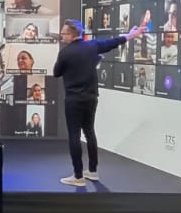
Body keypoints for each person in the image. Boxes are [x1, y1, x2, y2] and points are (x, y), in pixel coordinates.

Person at [52, 20, 142, 186]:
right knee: (89, 132)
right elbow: (113, 42)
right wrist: (130, 35)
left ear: (71, 35)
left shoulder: (65, 53)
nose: (61, 36)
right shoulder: (92, 46)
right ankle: (92, 171)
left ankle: (78, 176)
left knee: (74, 135)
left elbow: (56, 73)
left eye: (63, 33)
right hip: (91, 98)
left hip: (73, 100)